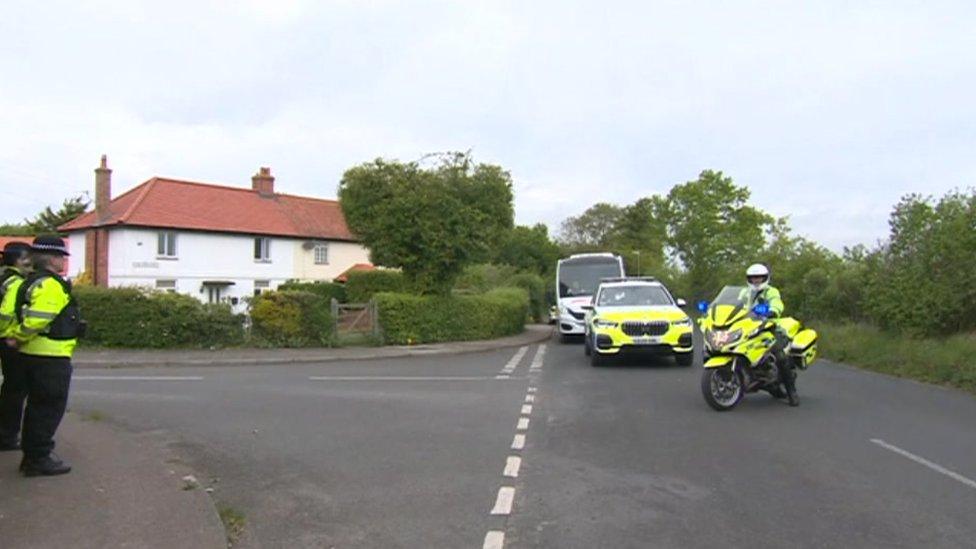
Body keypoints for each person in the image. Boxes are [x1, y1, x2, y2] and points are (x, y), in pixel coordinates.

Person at [8, 235, 82, 476]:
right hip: (50, 357)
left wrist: (15, 337)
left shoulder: (27, 281)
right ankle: (38, 458)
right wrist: (20, 335)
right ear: (52, 258)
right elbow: (39, 318)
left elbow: (8, 311)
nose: (64, 262)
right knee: (48, 408)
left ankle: (33, 456)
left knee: (36, 407)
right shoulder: (50, 285)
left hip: (32, 355)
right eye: (61, 256)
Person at [742, 263, 798, 407]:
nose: (756, 281)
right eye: (753, 278)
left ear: (765, 278)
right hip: (748, 326)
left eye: (759, 278)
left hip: (769, 326)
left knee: (780, 355)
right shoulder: (744, 293)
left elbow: (777, 303)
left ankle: (792, 392)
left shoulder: (771, 291)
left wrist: (772, 310)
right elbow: (734, 305)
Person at [0, 242, 33, 449]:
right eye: (26, 259)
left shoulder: (3, 278)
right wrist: (14, 335)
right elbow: (7, 314)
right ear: (17, 261)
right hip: (8, 341)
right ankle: (7, 436)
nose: (30, 263)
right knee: (15, 390)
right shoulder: (16, 283)